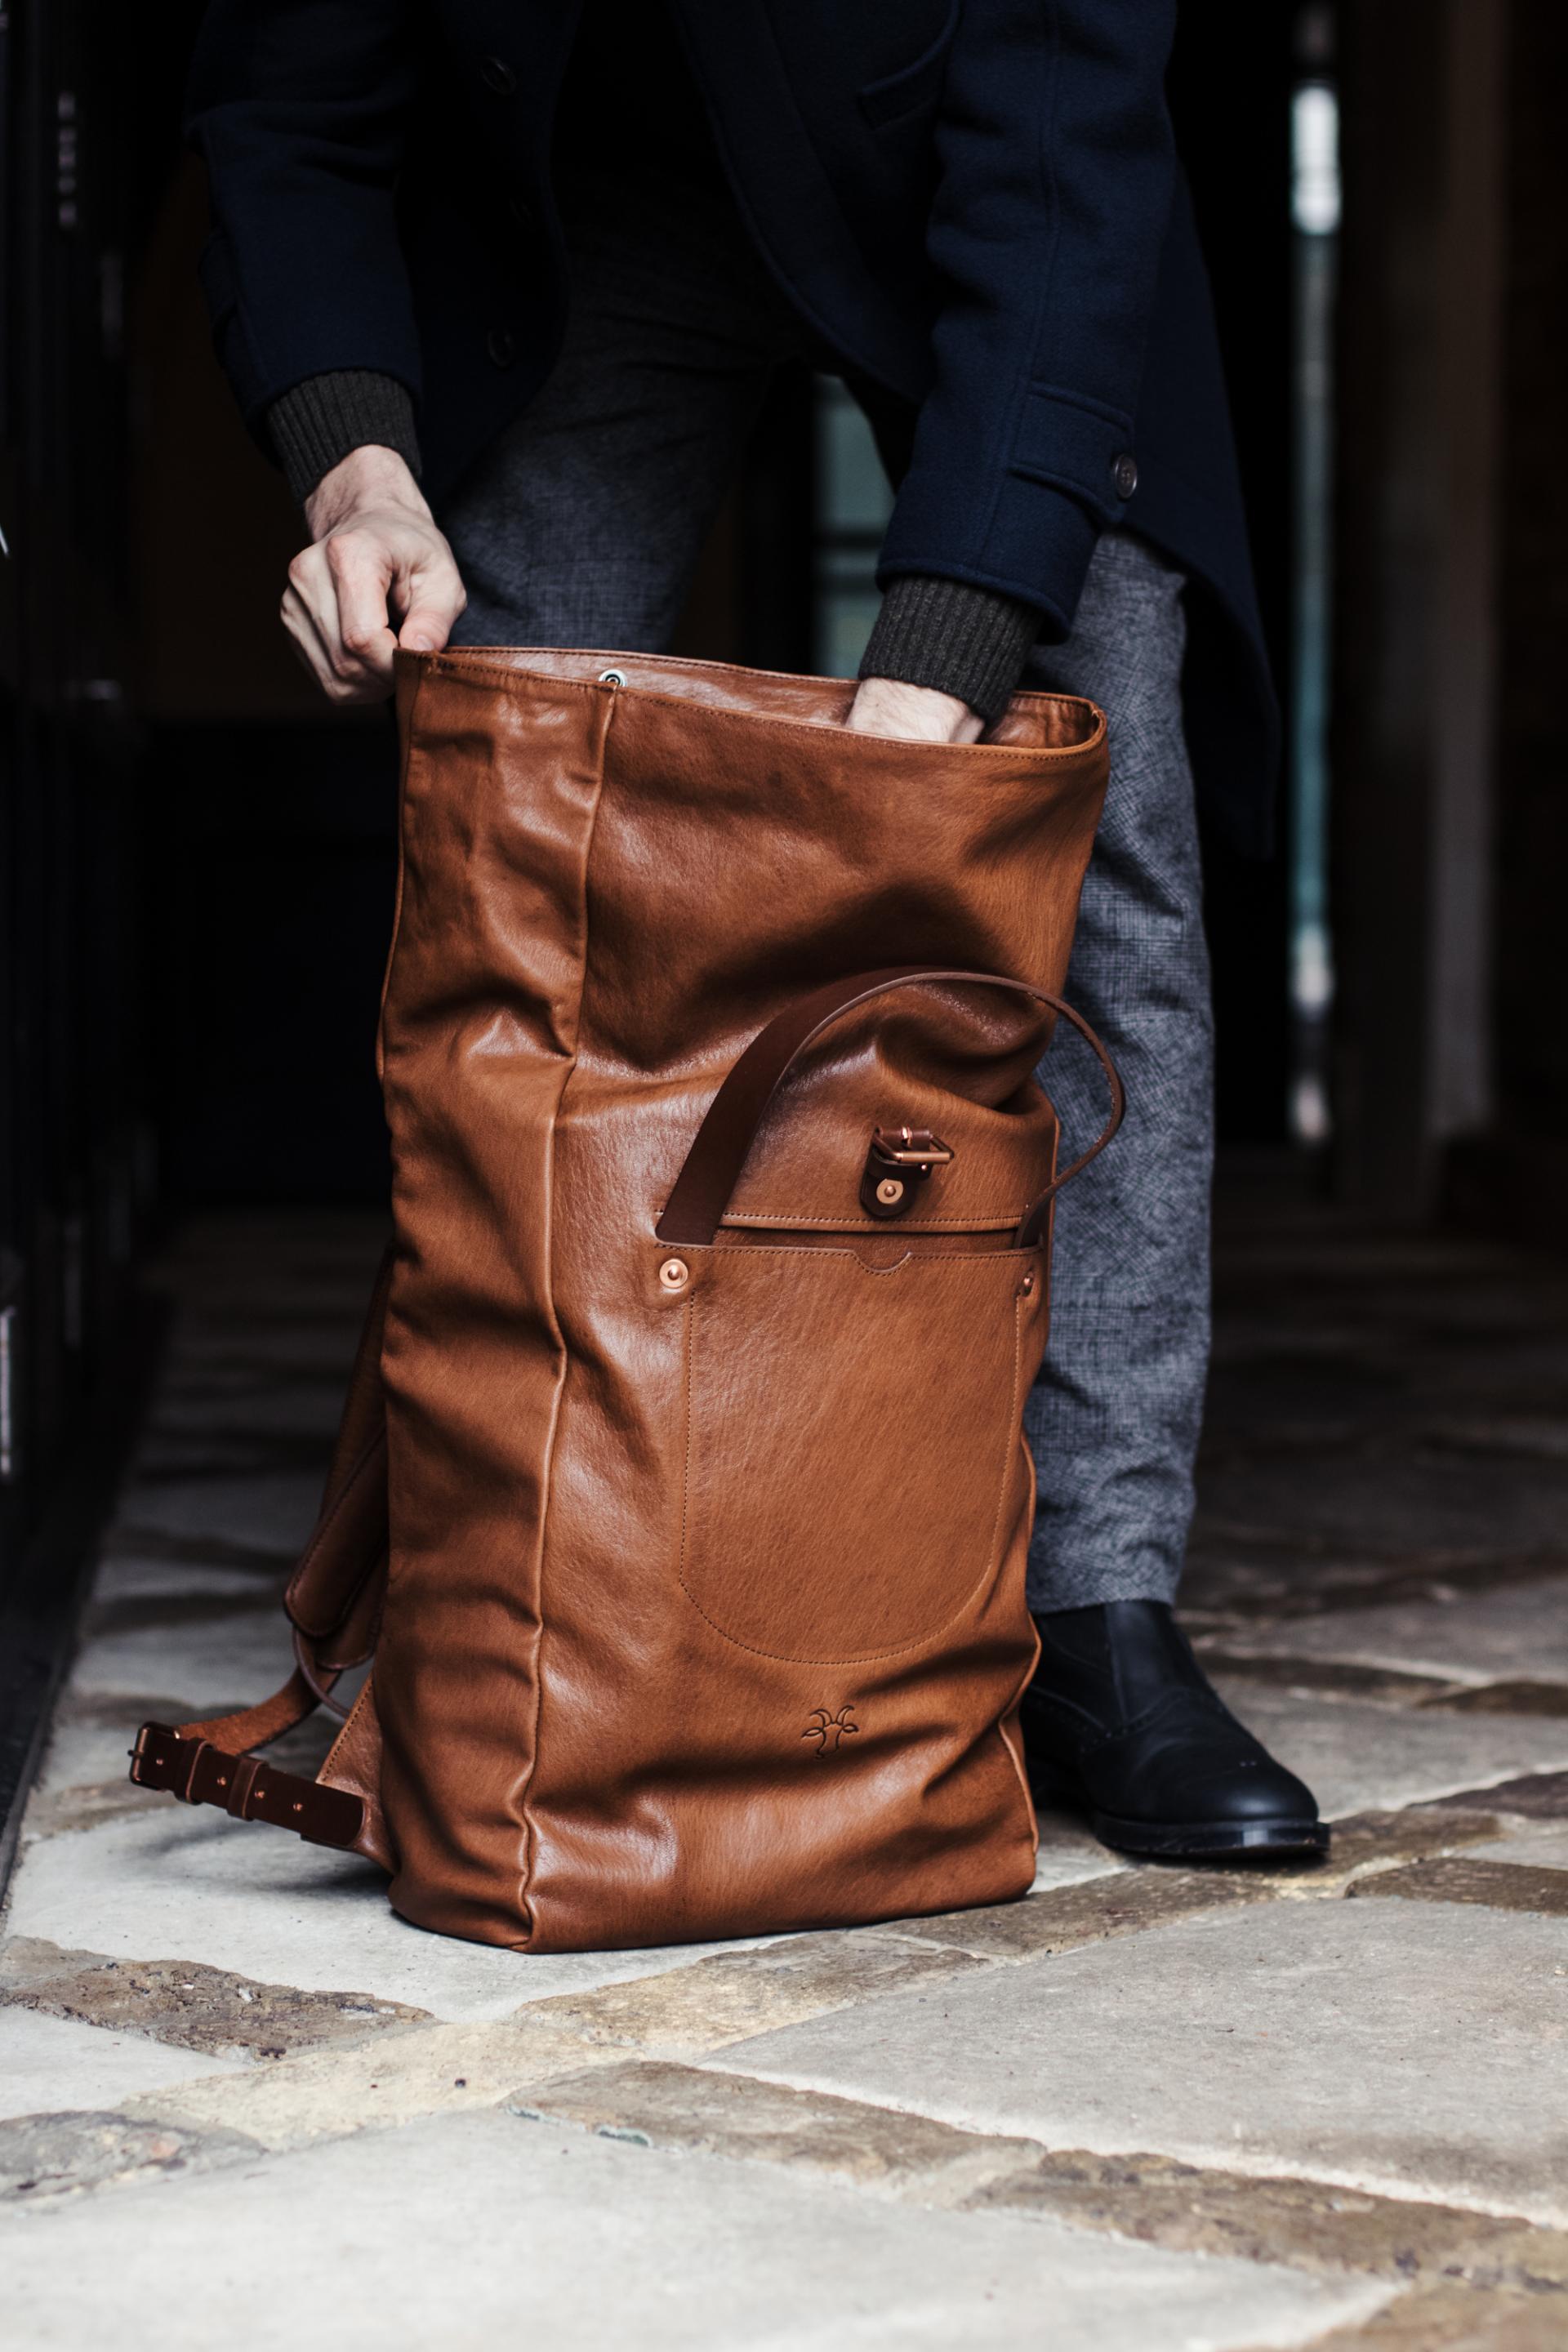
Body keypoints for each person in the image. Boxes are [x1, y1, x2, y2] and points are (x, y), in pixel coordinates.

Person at [186, 0, 1325, 1860]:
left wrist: (945, 668)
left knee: (1088, 794)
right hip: (596, 201)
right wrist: (353, 464)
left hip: (998, 195)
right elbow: (286, 101)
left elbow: (1064, 166)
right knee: (503, 757)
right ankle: (513, 1545)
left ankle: (1101, 1607)